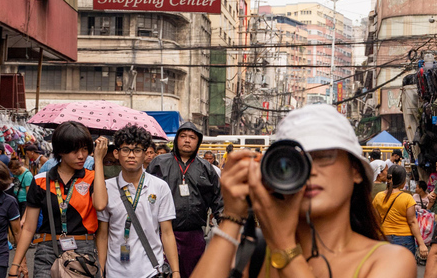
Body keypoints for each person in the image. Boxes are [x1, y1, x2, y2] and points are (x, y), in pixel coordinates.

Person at [191, 104, 416, 278]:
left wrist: (284, 247)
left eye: (324, 156)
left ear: (356, 171)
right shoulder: (253, 251)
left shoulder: (390, 261)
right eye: (293, 162)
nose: (310, 171)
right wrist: (233, 216)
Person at [9, 121, 108, 278]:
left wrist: (98, 160)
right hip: (47, 250)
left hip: (83, 251)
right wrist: (15, 265)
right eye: (75, 150)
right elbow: (28, 228)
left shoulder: (92, 178)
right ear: (61, 151)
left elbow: (101, 204)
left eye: (85, 149)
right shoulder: (41, 180)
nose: (81, 155)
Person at [96, 125, 180, 277]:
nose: (131, 155)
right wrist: (100, 271)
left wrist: (176, 271)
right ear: (116, 153)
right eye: (126, 150)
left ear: (146, 154)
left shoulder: (159, 187)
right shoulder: (106, 188)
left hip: (151, 270)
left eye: (137, 150)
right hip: (115, 272)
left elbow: (167, 233)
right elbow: (103, 234)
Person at [148, 122, 223, 278]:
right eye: (183, 136)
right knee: (164, 274)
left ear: (198, 142)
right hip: (162, 233)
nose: (187, 140)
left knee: (194, 274)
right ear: (176, 140)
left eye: (192, 137)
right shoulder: (159, 163)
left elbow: (218, 198)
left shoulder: (206, 168)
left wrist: (224, 224)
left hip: (194, 234)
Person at [373, 165, 427, 257]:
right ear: (403, 181)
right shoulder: (407, 198)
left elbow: (376, 220)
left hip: (384, 238)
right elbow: (412, 222)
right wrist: (422, 244)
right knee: (404, 270)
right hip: (404, 239)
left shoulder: (379, 196)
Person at [8, 159, 33, 224]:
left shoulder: (27, 175)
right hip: (16, 200)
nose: (14, 173)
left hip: (24, 201)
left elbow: (29, 193)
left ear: (19, 167)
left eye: (14, 171)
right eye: (12, 172)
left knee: (23, 222)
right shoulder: (16, 174)